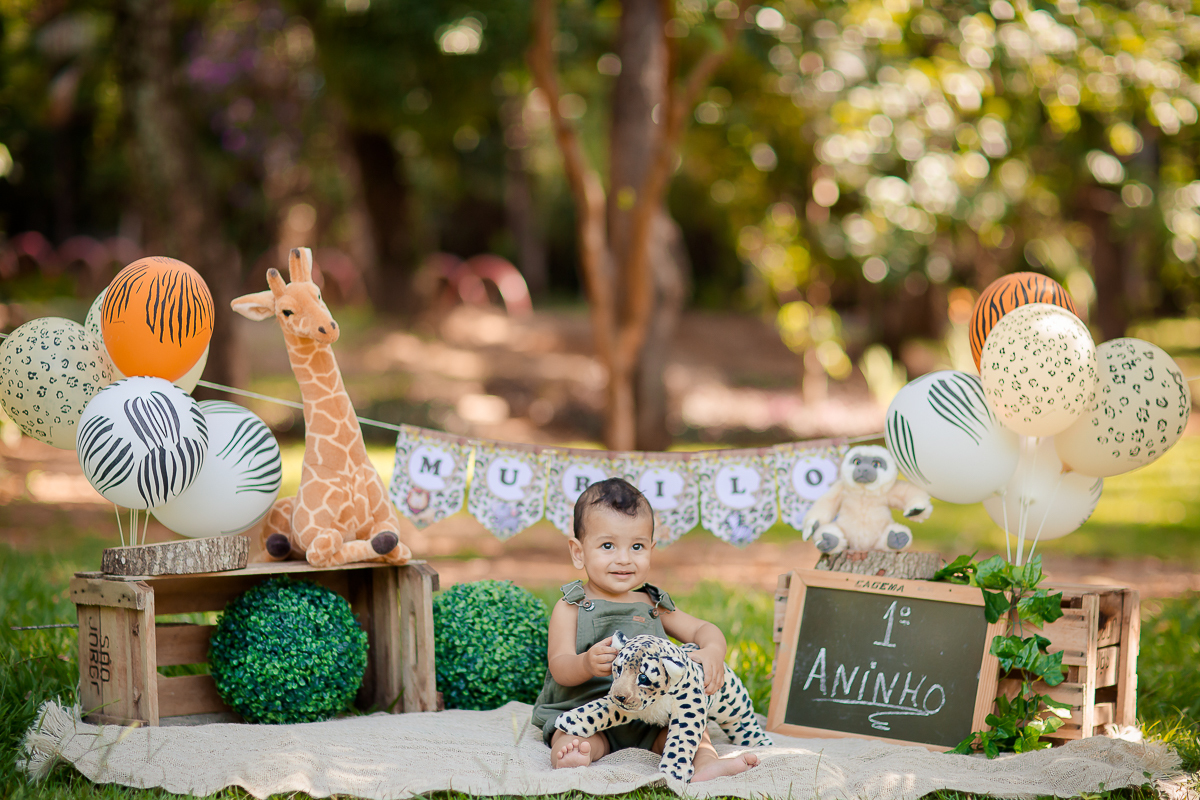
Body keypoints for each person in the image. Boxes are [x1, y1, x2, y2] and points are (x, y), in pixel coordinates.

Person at [531, 477, 760, 781]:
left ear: (652, 549)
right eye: (608, 546)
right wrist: (585, 663)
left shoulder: (652, 602)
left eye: (637, 546)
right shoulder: (571, 605)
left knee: (693, 728)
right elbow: (559, 666)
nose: (624, 559)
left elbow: (703, 629)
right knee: (572, 735)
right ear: (578, 551)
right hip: (589, 712)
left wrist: (713, 651)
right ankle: (576, 754)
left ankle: (706, 762)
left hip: (650, 716)